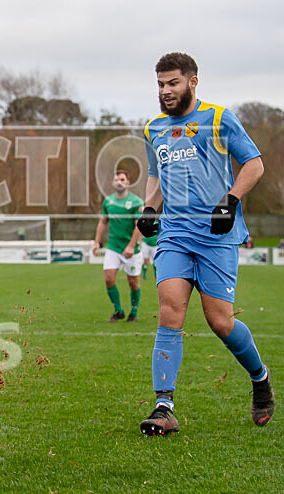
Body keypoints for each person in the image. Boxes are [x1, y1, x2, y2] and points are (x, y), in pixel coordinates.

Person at [137, 52, 273, 436]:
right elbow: (155, 173)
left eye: (173, 83)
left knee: (220, 321)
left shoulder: (219, 119)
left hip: (216, 237)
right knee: (170, 312)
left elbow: (254, 164)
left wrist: (230, 200)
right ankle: (164, 406)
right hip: (176, 234)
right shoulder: (154, 129)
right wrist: (150, 207)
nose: (165, 91)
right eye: (161, 84)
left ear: (193, 82)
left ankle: (260, 379)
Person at [92, 170, 143, 322]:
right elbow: (103, 222)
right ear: (113, 183)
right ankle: (118, 311)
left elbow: (138, 226)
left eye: (122, 179)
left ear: (128, 182)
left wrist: (131, 246)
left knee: (133, 282)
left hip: (131, 249)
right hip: (113, 246)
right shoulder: (108, 201)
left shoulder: (136, 202)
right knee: (108, 278)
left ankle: (133, 312)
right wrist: (96, 241)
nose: (119, 181)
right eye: (116, 179)